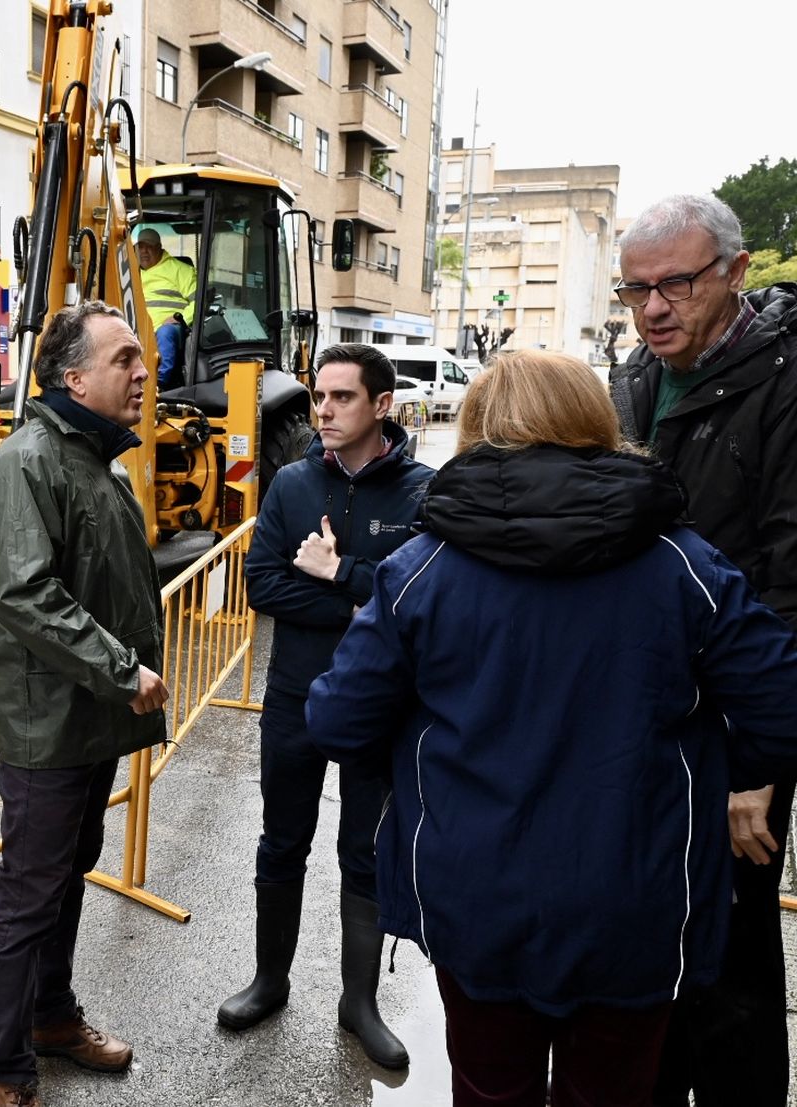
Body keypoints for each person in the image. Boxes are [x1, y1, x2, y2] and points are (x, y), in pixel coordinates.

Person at [308, 351, 797, 1106]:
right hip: (634, 896)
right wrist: (730, 767)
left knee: (487, 1085)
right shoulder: (679, 561)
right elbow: (779, 699)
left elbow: (338, 717)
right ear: (596, 424)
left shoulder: (424, 565)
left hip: (476, 892)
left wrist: (420, 739)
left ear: (477, 428)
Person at [608, 193, 797, 1106]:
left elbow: (792, 586)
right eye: (635, 290)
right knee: (657, 938)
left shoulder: (787, 382)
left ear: (736, 270)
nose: (652, 309)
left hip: (739, 727)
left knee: (733, 959)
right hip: (654, 716)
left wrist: (760, 764)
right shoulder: (638, 377)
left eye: (675, 284)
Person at [0, 301, 169, 1107]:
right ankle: (6, 1072)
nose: (143, 371)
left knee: (66, 875)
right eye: (125, 358)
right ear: (73, 376)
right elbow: (22, 595)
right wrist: (123, 669)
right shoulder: (27, 463)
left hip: (86, 719)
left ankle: (52, 1017)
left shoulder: (96, 461)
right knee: (28, 893)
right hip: (46, 722)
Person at [218, 343, 431, 1069]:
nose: (326, 410)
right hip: (297, 697)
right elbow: (262, 586)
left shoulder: (421, 493)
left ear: (382, 404)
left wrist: (341, 571)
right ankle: (268, 980)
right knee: (283, 840)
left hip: (378, 704)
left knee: (365, 851)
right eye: (320, 397)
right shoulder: (290, 485)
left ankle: (358, 1001)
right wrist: (361, 598)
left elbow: (418, 598)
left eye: (343, 397)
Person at [133, 227, 196, 387]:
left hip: (170, 327)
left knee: (165, 332)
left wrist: (178, 319)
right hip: (138, 328)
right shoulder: (131, 274)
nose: (144, 251)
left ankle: (158, 383)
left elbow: (198, 303)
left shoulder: (181, 270)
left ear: (159, 248)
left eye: (149, 246)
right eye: (140, 246)